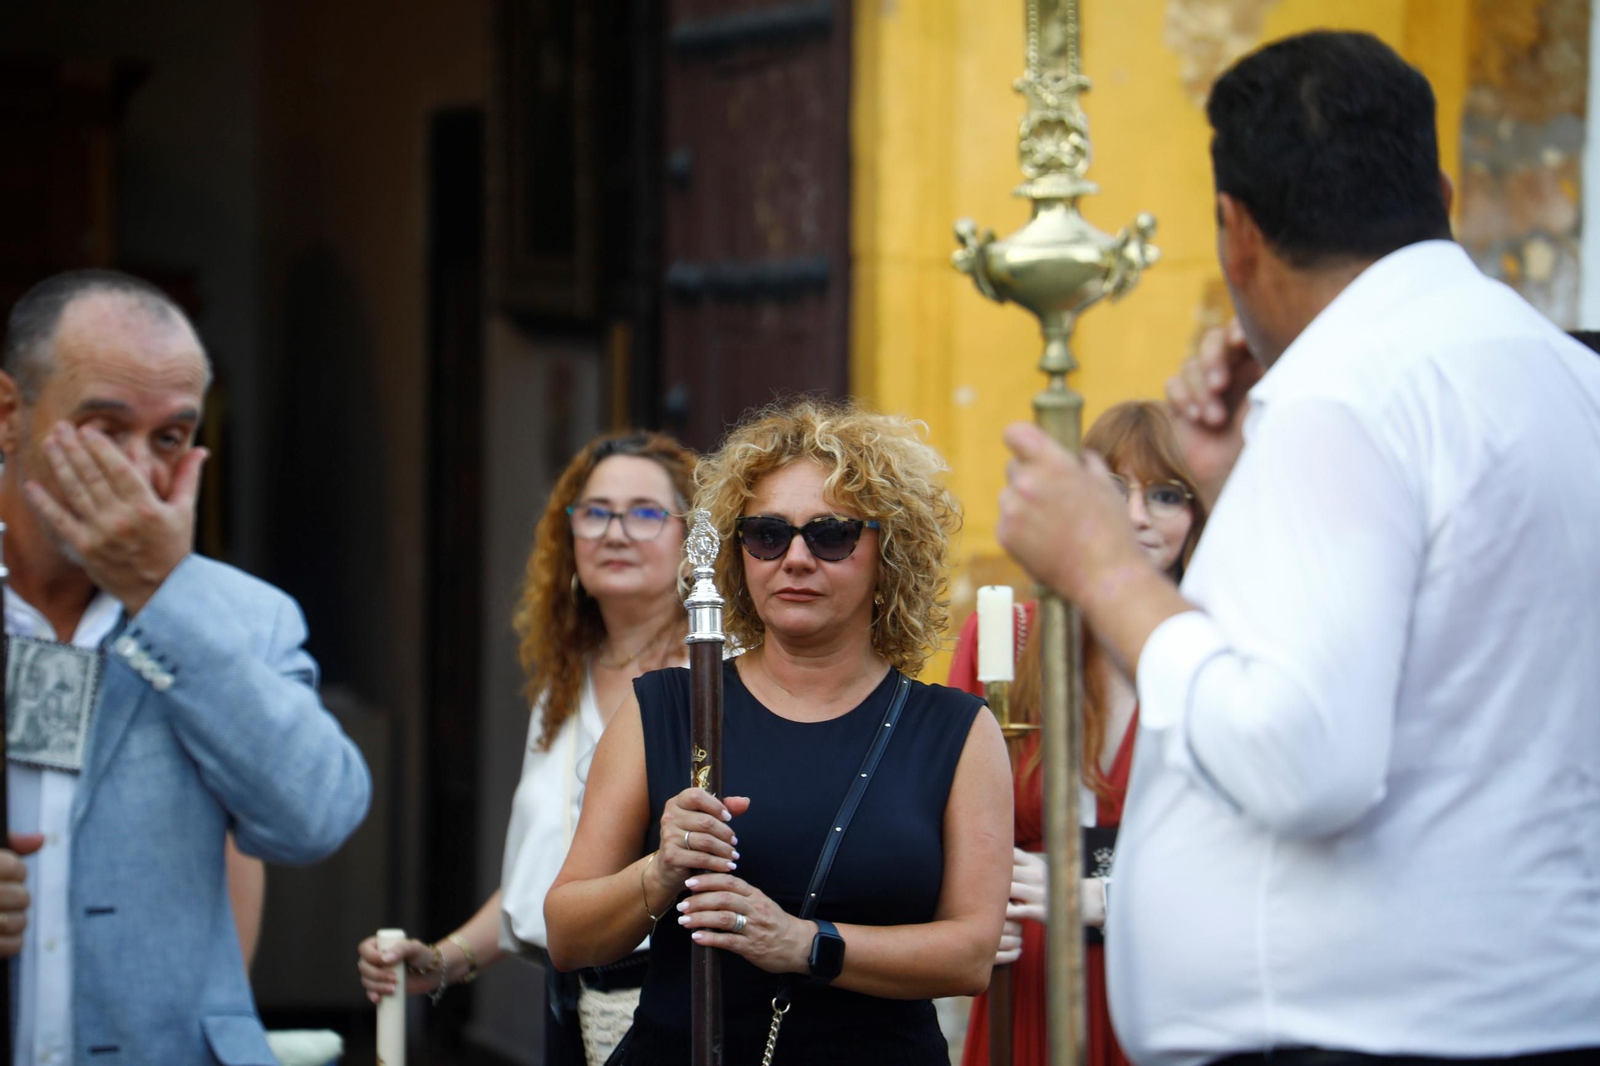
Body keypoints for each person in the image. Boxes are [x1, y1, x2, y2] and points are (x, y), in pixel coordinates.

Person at [997, 30, 1600, 1066]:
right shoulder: (1561, 376)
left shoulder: (1345, 392)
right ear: (1442, 196)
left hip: (1360, 1036)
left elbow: (1300, 759)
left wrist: (1104, 569)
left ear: (1237, 232)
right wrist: (1238, 489)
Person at [545, 399, 1012, 1065]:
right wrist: (661, 869)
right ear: (739, 555)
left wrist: (803, 943)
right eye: (766, 534)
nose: (794, 558)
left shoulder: (956, 732)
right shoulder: (665, 708)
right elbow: (567, 934)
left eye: (830, 535)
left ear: (890, 551)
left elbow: (969, 955)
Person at [0, 268, 371, 1065]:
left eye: (169, 437)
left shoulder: (246, 618)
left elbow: (316, 818)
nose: (139, 470)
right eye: (105, 429)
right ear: (8, 414)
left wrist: (161, 599)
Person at [357, 431, 696, 1066]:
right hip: (571, 1010)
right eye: (594, 512)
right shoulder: (563, 688)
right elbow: (539, 881)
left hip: (679, 1012)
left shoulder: (720, 677)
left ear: (691, 538)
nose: (615, 532)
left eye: (645, 512)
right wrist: (441, 960)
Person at [950, 401, 1206, 1066]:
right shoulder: (1010, 637)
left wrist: (1108, 896)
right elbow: (939, 820)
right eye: (1114, 491)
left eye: (1167, 495)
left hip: (1175, 980)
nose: (1138, 516)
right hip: (1028, 975)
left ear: (1202, 516)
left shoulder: (1221, 656)